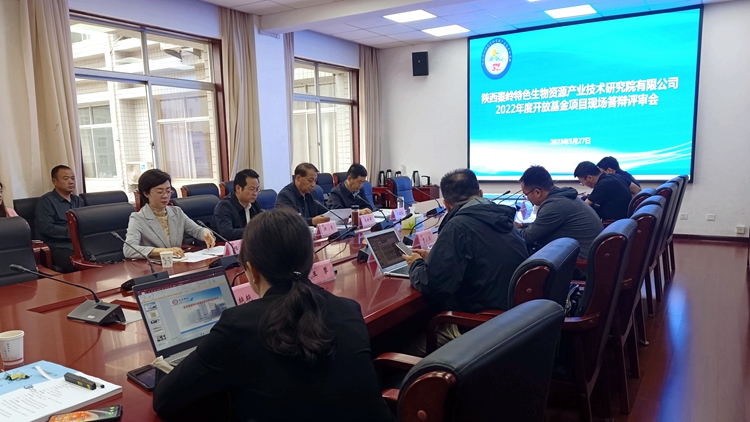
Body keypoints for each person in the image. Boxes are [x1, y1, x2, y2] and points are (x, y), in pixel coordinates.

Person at [153, 208, 395, 422]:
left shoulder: (238, 325)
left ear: (251, 271)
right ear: (310, 260)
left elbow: (165, 400)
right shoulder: (348, 309)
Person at [401, 169, 529, 354]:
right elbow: (481, 256)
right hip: (514, 319)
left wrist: (415, 264)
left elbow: (432, 284)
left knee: (402, 345)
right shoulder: (503, 217)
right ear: (481, 194)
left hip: (479, 327)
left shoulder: (457, 226)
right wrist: (435, 257)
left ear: (446, 205)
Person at [123, 169, 214, 260]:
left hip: (178, 263)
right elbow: (129, 249)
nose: (165, 196)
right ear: (146, 193)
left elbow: (196, 230)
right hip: (155, 265)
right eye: (160, 192)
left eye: (168, 191)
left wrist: (205, 233)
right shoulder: (138, 218)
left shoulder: (176, 212)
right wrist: (163, 251)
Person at [516, 166, 603, 259]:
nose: (527, 199)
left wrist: (510, 230)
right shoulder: (562, 196)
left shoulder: (554, 205)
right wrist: (522, 225)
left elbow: (525, 238)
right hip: (586, 252)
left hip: (580, 262)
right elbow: (543, 224)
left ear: (537, 192)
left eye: (526, 194)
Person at [35, 165, 83, 273]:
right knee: (77, 263)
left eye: (73, 178)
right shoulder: (46, 201)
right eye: (66, 179)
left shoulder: (78, 200)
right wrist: (73, 233)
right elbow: (46, 228)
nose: (71, 182)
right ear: (54, 181)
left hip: (78, 243)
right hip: (57, 245)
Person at [212, 169, 263, 241]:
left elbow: (262, 222)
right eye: (252, 189)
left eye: (257, 189)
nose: (255, 193)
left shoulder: (255, 204)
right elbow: (227, 233)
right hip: (227, 245)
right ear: (238, 188)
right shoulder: (224, 206)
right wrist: (254, 231)